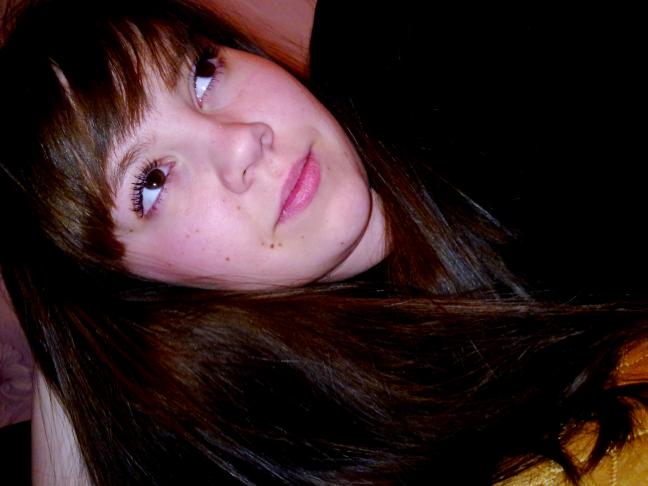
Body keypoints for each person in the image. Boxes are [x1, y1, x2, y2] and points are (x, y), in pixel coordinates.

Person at [1, 0, 647, 484]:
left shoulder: (428, 71)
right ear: (130, 290)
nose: (241, 140)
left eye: (200, 74)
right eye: (151, 182)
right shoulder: (268, 452)